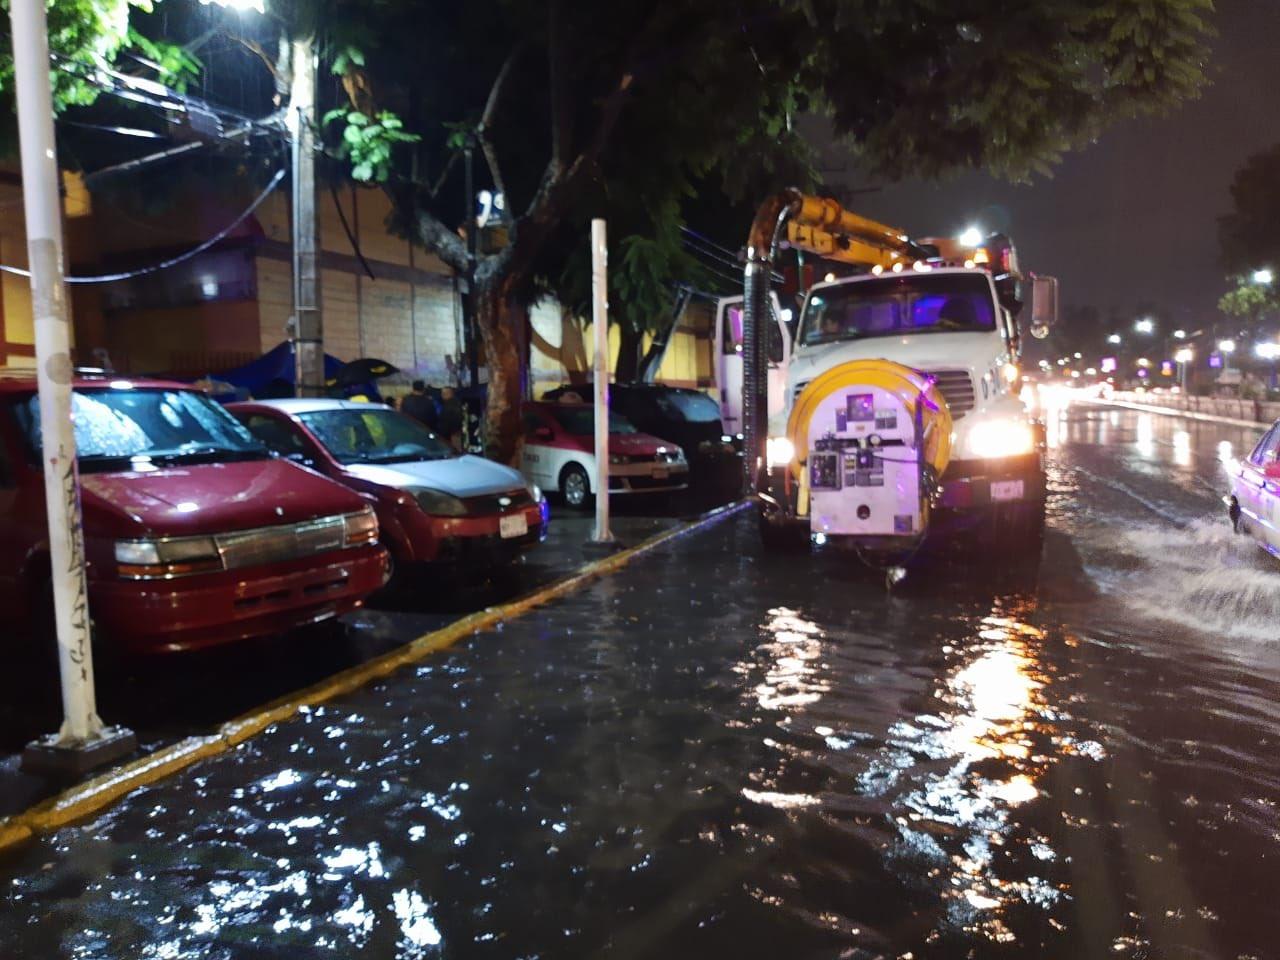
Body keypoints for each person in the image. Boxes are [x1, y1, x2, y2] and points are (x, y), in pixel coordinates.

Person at [438, 385, 464, 451]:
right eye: (442, 393)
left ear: (450, 394)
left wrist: (453, 432)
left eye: (444, 394)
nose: (442, 395)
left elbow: (456, 420)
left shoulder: (452, 405)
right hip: (450, 434)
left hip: (452, 435)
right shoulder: (450, 404)